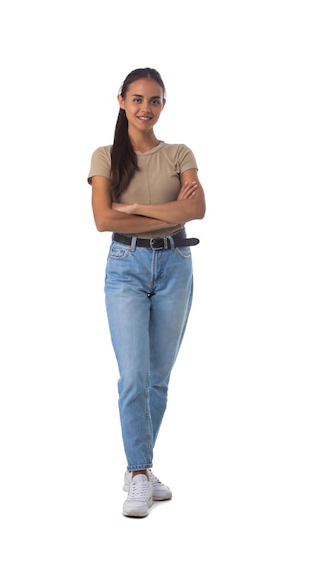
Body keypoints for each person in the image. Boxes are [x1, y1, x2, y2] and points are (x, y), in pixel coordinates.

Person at [88, 67, 206, 518]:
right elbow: (103, 220)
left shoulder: (179, 152)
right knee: (133, 376)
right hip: (126, 268)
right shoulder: (104, 156)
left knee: (159, 378)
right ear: (121, 101)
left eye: (154, 100)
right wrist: (168, 214)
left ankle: (141, 468)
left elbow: (196, 208)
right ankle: (139, 473)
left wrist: (135, 207)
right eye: (137, 99)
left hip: (176, 265)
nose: (145, 108)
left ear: (163, 105)